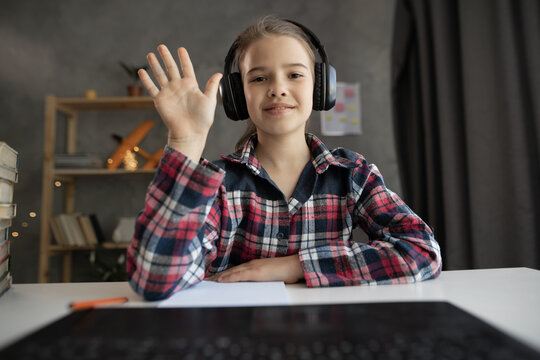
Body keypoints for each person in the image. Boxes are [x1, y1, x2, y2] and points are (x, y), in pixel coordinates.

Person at [127, 16, 442, 301]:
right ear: (238, 96)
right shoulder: (218, 184)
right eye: (259, 78)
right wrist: (186, 141)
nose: (278, 88)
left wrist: (295, 266)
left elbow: (422, 251)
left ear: (320, 88)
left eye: (294, 74)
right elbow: (155, 279)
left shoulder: (351, 174)